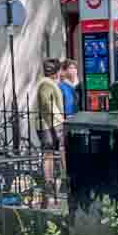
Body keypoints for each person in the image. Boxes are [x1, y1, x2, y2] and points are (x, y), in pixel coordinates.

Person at [35, 58, 65, 199]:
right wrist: (60, 120)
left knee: (51, 153)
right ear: (56, 71)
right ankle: (51, 182)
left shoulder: (47, 83)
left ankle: (52, 182)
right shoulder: (46, 84)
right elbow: (47, 104)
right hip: (49, 124)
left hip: (48, 123)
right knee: (52, 152)